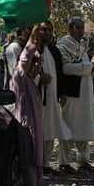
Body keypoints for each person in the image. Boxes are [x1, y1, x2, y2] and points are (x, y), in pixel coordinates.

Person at [9, 30, 53, 186]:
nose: (36, 70)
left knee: (37, 155)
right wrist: (33, 36)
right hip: (25, 123)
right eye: (34, 67)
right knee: (29, 156)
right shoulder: (19, 77)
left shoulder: (32, 82)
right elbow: (25, 57)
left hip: (35, 122)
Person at [57, 17, 94, 173]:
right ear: (70, 28)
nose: (81, 31)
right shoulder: (63, 45)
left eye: (82, 27)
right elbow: (66, 68)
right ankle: (64, 161)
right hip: (71, 93)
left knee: (84, 125)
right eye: (78, 27)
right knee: (67, 126)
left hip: (85, 93)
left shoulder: (81, 45)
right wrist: (88, 67)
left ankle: (83, 160)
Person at [37, 22, 70, 173]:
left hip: (53, 98)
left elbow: (60, 74)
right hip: (38, 98)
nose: (47, 33)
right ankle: (39, 164)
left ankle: (46, 163)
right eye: (44, 30)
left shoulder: (54, 51)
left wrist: (62, 92)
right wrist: (39, 77)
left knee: (51, 130)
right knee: (41, 131)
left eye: (50, 30)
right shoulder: (34, 51)